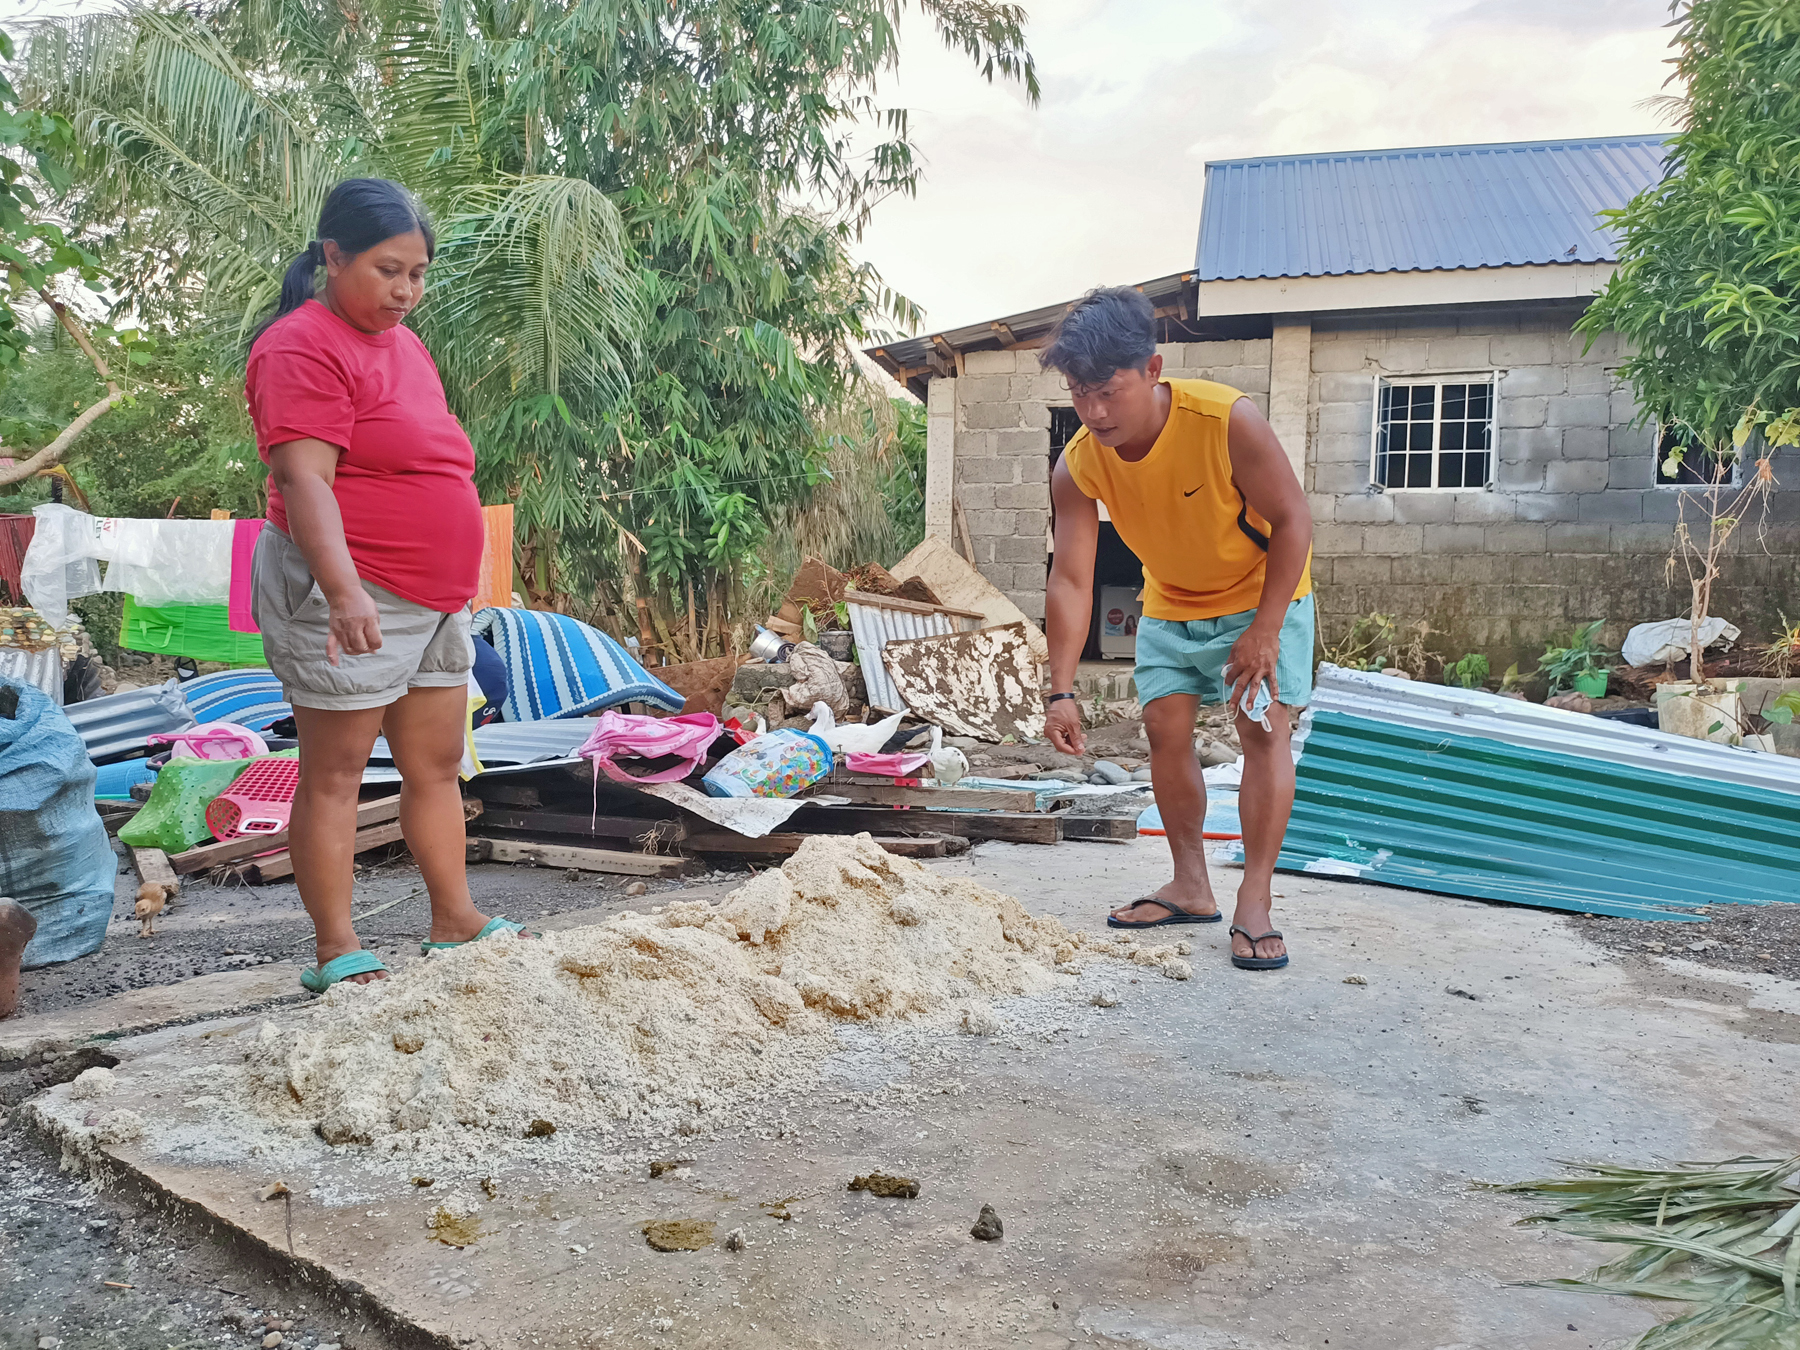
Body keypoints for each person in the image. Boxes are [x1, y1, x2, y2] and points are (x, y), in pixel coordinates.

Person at [246, 178, 526, 993]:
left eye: (418, 273)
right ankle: (338, 950)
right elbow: (305, 483)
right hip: (352, 589)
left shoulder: (403, 344)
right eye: (387, 269)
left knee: (435, 765)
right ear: (332, 257)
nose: (406, 291)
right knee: (335, 773)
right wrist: (342, 591)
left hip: (434, 596)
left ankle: (455, 920)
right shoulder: (300, 346)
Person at [1041, 287, 1315, 972]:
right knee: (1165, 729)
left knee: (1261, 731)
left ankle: (1254, 900)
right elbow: (1072, 578)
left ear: (1153, 370)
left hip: (1263, 596)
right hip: (1170, 599)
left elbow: (1294, 521)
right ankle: (1190, 883)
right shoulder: (1077, 465)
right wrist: (1060, 690)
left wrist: (1267, 627)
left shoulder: (1226, 420)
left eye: (1109, 391)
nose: (1095, 412)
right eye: (1080, 393)